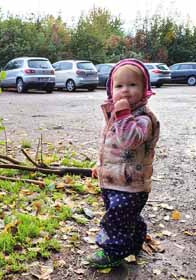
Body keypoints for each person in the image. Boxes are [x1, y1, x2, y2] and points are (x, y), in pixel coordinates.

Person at [88, 59, 160, 268]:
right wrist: (99, 165)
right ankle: (135, 239)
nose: (125, 91)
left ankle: (113, 251)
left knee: (117, 218)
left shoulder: (143, 119)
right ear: (111, 90)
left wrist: (123, 115)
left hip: (131, 184)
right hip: (114, 179)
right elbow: (110, 147)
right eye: (119, 86)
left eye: (132, 85)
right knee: (124, 215)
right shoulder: (117, 116)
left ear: (144, 89)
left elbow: (129, 142)